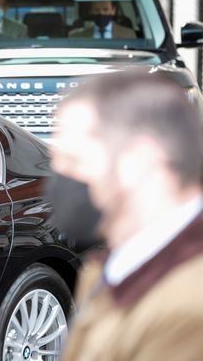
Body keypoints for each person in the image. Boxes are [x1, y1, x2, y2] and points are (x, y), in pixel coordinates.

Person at [47, 70, 203, 361]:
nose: (58, 180)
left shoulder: (188, 308)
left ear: (139, 161)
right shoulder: (113, 268)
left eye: (73, 160)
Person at [69, 0, 136, 39]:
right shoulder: (76, 36)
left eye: (105, 9)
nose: (101, 13)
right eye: (96, 10)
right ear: (91, 11)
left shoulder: (129, 35)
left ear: (113, 10)